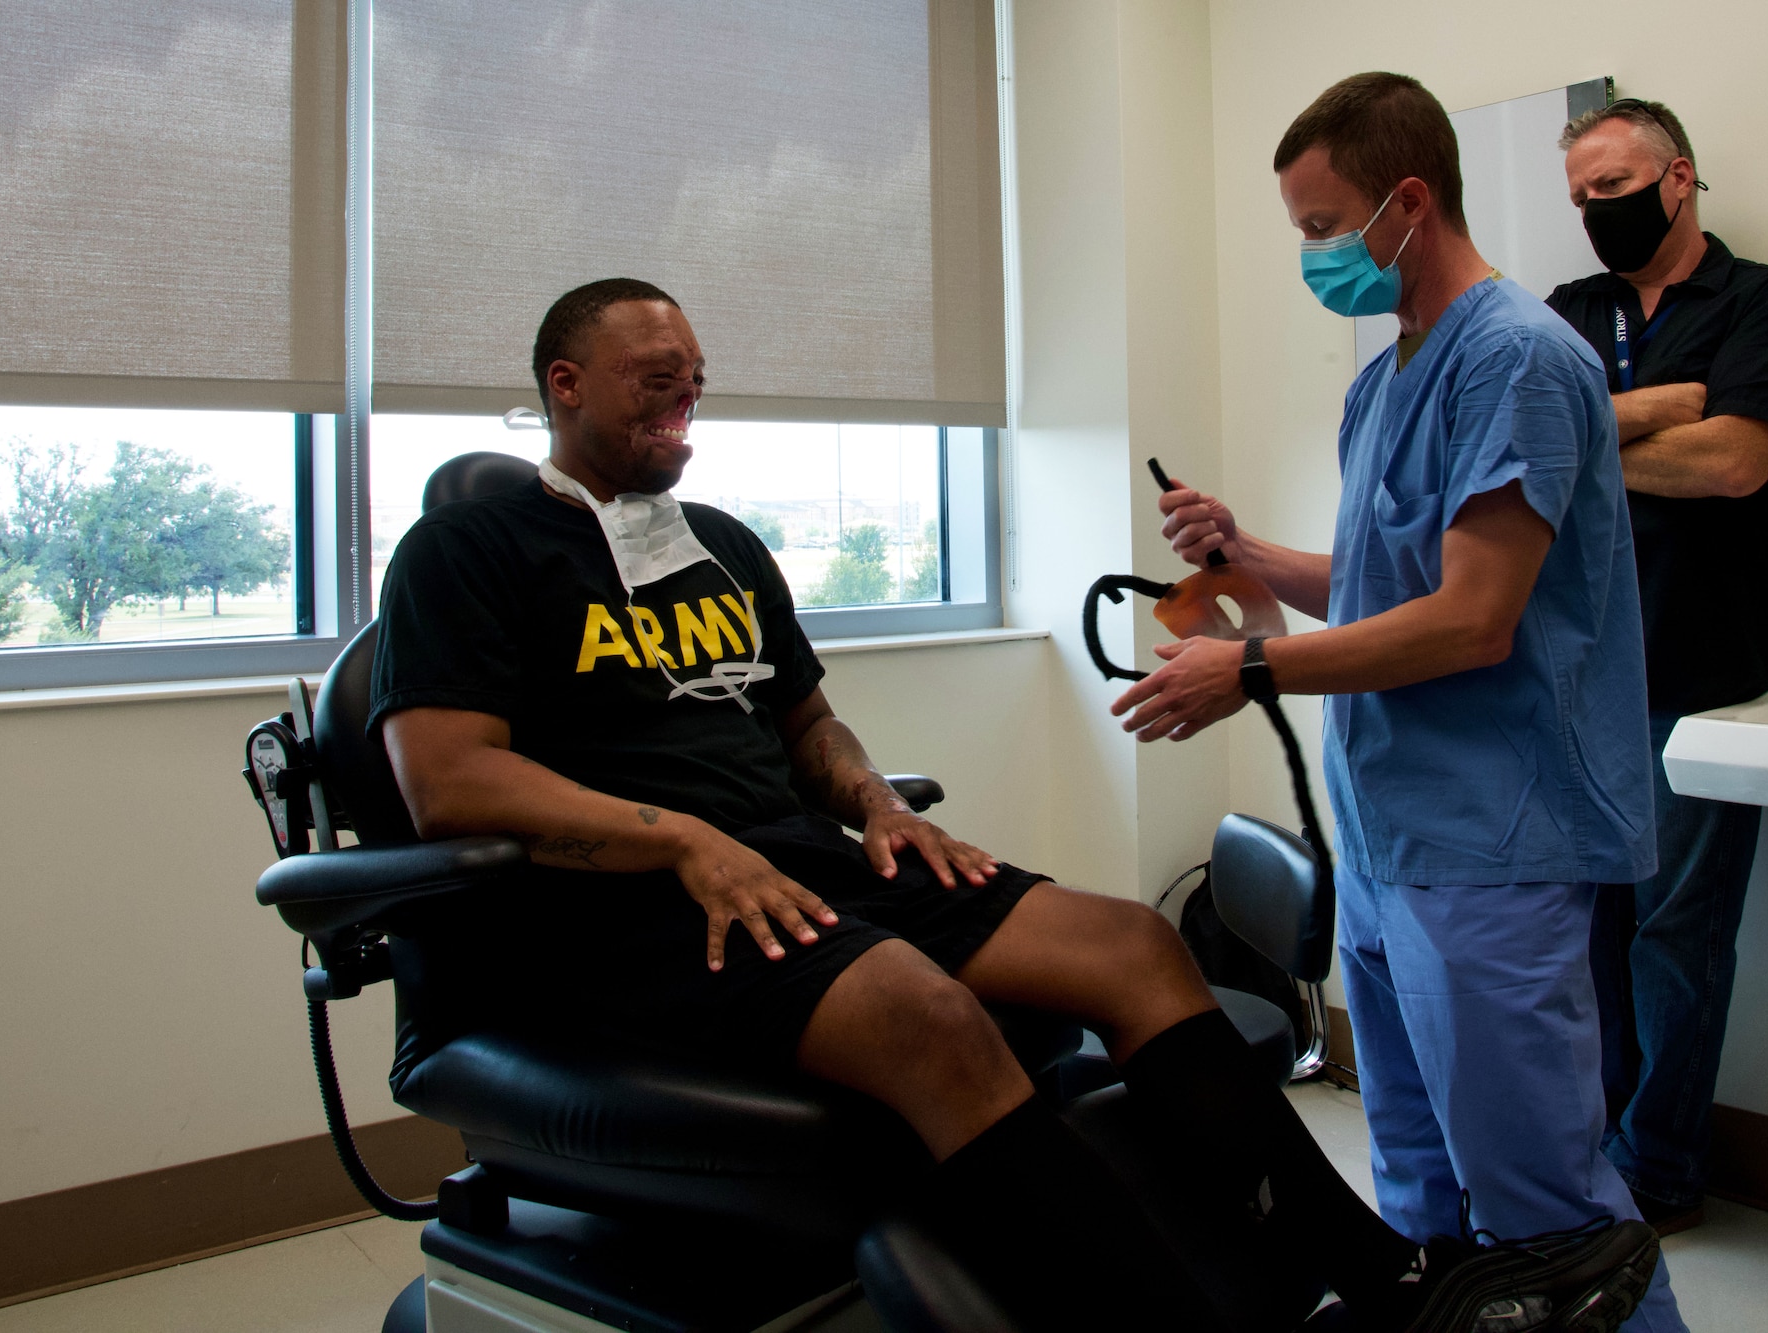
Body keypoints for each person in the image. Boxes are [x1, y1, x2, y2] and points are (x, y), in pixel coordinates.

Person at [369, 276, 1659, 1333]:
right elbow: (450, 779)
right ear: (564, 385)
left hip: (795, 866)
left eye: (695, 378)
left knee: (1130, 944)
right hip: (628, 910)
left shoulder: (718, 545)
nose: (686, 401)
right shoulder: (465, 554)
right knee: (929, 1014)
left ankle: (1388, 1285)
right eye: (657, 380)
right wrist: (685, 838)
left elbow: (806, 722)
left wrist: (874, 801)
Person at [1117, 73, 1685, 1331]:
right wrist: (1251, 557)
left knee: (1545, 1210)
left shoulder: (1521, 360)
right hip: (1389, 839)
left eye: (1322, 227)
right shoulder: (1384, 381)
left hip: (1494, 839)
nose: (1312, 256)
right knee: (1418, 1180)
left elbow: (1471, 618)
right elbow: (1386, 582)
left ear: (1406, 204)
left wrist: (1246, 669)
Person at [1547, 99, 1768, 1235]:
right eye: (1577, 199)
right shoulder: (1568, 313)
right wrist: (1658, 406)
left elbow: (1731, 464)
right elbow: (1520, 447)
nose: (1591, 215)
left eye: (1610, 189)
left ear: (1679, 181)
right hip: (1579, 672)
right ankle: (1597, 1146)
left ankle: (1655, 1170)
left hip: (1710, 668)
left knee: (1673, 930)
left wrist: (1595, 433)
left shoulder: (1766, 304)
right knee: (1592, 928)